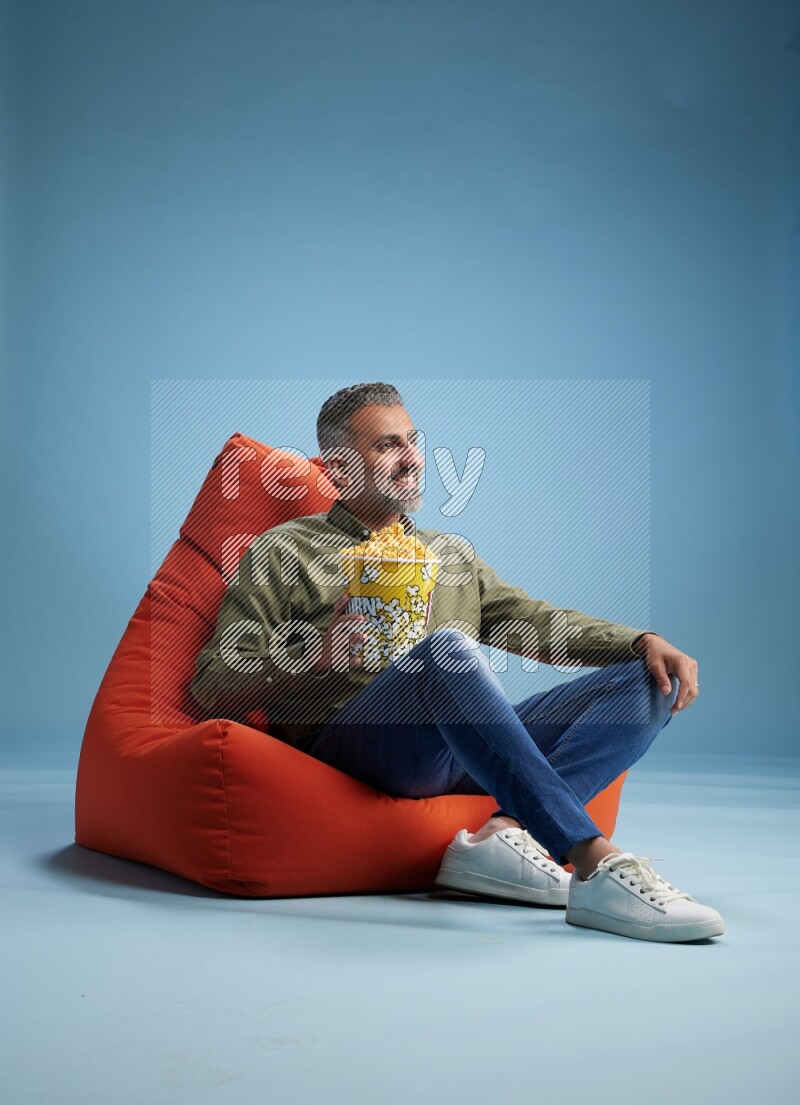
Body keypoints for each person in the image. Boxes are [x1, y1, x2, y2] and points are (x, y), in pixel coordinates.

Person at [191, 382, 723, 943]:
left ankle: (504, 834)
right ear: (339, 468)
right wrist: (313, 655)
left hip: (463, 751)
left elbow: (536, 622)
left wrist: (639, 641)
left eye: (412, 441)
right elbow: (211, 686)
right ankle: (594, 863)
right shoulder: (284, 551)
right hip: (356, 748)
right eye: (386, 446)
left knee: (650, 681)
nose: (411, 458)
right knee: (447, 651)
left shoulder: (450, 555)